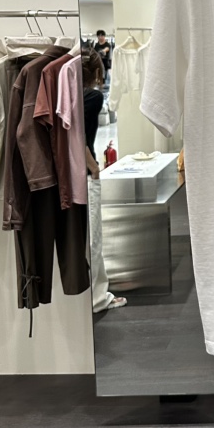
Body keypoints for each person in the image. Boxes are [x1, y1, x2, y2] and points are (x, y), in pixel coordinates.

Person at [82, 49, 126, 312]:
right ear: (98, 72)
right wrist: (93, 167)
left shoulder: (63, 93)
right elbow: (77, 136)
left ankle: (88, 297)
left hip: (64, 175)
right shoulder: (92, 96)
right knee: (93, 237)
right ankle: (98, 298)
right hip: (85, 174)